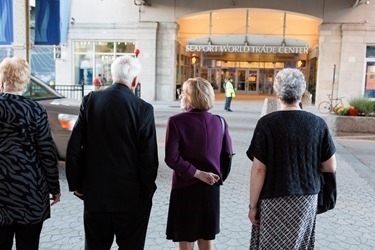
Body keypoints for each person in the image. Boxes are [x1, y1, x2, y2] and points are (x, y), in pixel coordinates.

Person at [66, 55, 159, 249]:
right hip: (131, 198)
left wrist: (75, 183)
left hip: (96, 195)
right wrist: (146, 192)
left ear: (111, 75)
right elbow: (149, 159)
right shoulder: (143, 109)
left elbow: (74, 145)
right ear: (135, 80)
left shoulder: (91, 100)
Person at [246, 68, 337, 249]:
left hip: (273, 198)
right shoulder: (318, 124)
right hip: (306, 198)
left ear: (277, 93)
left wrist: (253, 206)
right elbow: (330, 166)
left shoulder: (266, 123)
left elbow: (259, 169)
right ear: (301, 93)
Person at [165, 77, 233, 250]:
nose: (180, 97)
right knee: (206, 240)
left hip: (184, 187)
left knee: (186, 240)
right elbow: (227, 156)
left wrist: (196, 173)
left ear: (191, 96)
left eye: (183, 93)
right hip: (210, 188)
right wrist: (215, 177)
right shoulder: (220, 122)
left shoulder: (176, 121)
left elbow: (171, 158)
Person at [0, 57, 61, 250]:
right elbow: (46, 152)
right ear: (25, 83)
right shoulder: (36, 110)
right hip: (30, 193)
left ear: (2, 81)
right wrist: (54, 188)